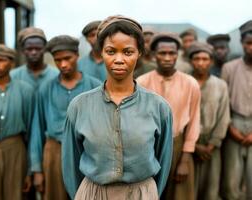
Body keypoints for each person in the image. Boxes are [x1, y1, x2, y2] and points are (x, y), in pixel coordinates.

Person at [62, 15, 173, 200]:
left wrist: (148, 193)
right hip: (92, 194)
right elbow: (71, 164)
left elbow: (164, 160)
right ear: (102, 53)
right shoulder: (79, 106)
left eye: (128, 52)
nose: (119, 59)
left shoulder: (159, 107)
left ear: (139, 53)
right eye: (111, 51)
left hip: (142, 194)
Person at [29, 35, 101, 200]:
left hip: (87, 152)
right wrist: (37, 169)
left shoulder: (95, 86)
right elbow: (37, 129)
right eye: (57, 60)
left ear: (77, 55)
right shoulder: (45, 88)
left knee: (86, 195)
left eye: (67, 58)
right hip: (54, 152)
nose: (63, 64)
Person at [137, 32, 201, 200]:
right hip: (149, 148)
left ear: (177, 55)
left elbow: (194, 122)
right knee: (152, 193)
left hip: (178, 147)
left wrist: (185, 160)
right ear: (153, 55)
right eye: (162, 53)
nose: (167, 57)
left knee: (180, 194)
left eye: (171, 53)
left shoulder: (190, 83)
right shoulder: (141, 83)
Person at [0, 44, 34, 200]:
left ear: (11, 63)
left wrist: (29, 170)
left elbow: (31, 130)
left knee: (15, 194)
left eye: (1, 60)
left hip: (15, 149)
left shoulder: (25, 90)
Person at [188, 42, 230, 200]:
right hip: (189, 146)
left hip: (212, 146)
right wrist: (193, 145)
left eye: (205, 59)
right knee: (189, 190)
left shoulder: (220, 85)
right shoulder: (185, 82)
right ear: (191, 60)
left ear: (211, 61)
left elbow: (223, 117)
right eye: (197, 58)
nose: (200, 62)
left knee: (211, 191)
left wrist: (212, 144)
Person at [221, 20, 252, 200]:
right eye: (249, 43)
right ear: (242, 43)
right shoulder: (229, 68)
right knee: (231, 182)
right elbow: (223, 104)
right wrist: (230, 128)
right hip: (234, 124)